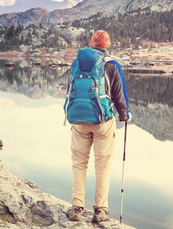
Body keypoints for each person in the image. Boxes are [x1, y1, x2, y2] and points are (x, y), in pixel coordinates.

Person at [66, 30, 130, 223]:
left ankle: (76, 208)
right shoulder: (112, 65)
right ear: (107, 45)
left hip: (78, 121)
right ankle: (100, 211)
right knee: (102, 166)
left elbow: (70, 89)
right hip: (103, 123)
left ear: (91, 44)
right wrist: (124, 115)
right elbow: (119, 95)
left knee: (79, 164)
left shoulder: (77, 63)